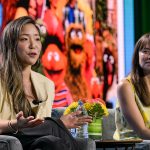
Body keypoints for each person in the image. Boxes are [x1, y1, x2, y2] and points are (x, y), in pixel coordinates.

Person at [0, 16, 92, 150]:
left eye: (37, 39)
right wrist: (15, 124)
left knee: (53, 142)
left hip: (33, 143)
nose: (33, 45)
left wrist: (53, 125)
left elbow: (42, 128)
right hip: (9, 138)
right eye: (25, 39)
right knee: (52, 126)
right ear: (11, 44)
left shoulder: (46, 84)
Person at [113, 33, 150, 140]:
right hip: (133, 144)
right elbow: (141, 132)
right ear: (136, 55)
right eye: (145, 51)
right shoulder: (125, 86)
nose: (149, 56)